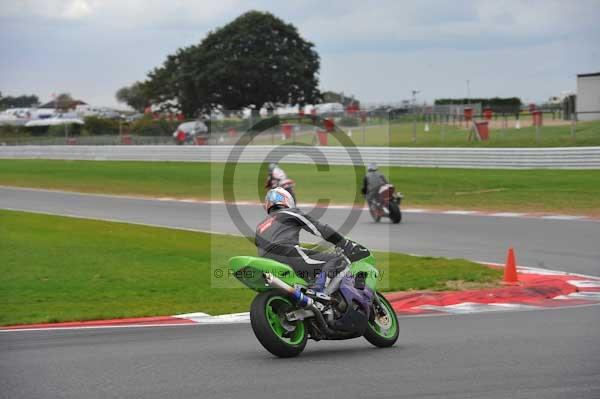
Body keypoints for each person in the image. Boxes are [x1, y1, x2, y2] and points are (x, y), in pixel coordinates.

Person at [255, 187, 357, 293]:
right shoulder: (290, 212)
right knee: (338, 261)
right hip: (288, 253)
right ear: (287, 200)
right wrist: (343, 242)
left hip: (267, 261)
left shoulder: (260, 226)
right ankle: (320, 291)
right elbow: (319, 228)